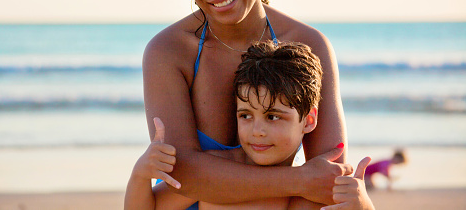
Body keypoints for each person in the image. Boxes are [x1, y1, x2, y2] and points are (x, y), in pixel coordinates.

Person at [139, 0, 356, 208]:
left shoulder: (308, 45)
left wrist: (309, 184)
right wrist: (300, 180)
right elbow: (181, 174)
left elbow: (329, 176)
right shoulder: (169, 51)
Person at [125, 41, 375, 209]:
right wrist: (140, 174)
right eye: (245, 115)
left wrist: (363, 204)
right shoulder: (215, 174)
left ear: (308, 120)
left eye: (273, 116)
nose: (257, 131)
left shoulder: (312, 187)